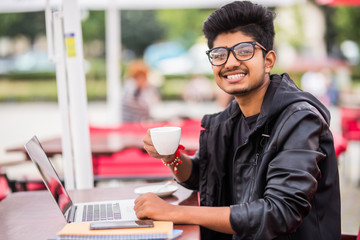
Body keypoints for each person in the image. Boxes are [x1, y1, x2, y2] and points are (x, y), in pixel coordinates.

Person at [134, 1, 341, 239]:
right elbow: (199, 175)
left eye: (244, 51)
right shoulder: (230, 119)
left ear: (269, 60)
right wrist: (172, 156)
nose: (230, 62)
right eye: (219, 55)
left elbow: (279, 213)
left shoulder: (299, 120)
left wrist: (174, 213)